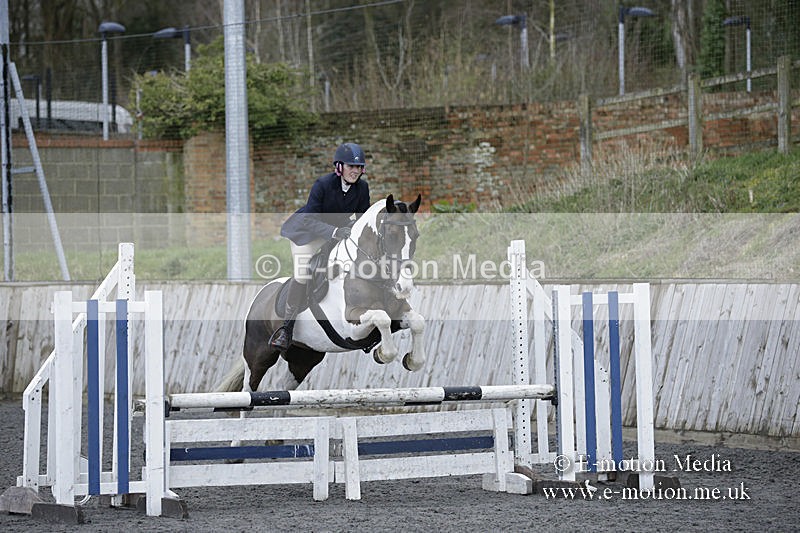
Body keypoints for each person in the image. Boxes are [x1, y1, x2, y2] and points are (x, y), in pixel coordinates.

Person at [269, 142, 371, 352]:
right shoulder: (323, 184)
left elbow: (362, 218)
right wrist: (334, 232)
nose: (355, 171)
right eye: (351, 166)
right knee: (302, 274)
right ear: (339, 167)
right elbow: (309, 220)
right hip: (306, 234)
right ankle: (286, 328)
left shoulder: (362, 187)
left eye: (358, 167)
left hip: (336, 233)